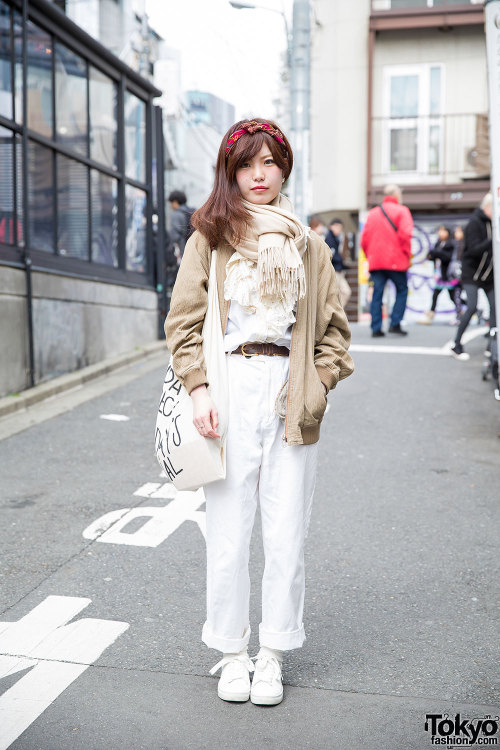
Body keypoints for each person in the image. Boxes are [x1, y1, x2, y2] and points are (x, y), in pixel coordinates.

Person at [165, 117, 354, 706]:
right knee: (228, 531)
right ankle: (231, 653)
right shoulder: (211, 238)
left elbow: (334, 335)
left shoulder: (310, 246)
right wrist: (198, 389)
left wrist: (317, 386)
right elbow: (183, 322)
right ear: (230, 172)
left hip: (289, 391)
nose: (258, 175)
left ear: (284, 167)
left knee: (286, 530)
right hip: (227, 386)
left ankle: (271, 654)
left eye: (269, 162)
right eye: (245, 164)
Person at [359, 184, 414, 337]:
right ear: (397, 195)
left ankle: (376, 327)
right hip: (396, 260)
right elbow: (405, 235)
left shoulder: (373, 213)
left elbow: (364, 240)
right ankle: (395, 323)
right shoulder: (403, 211)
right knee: (402, 290)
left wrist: (370, 255)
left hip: (376, 261)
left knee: (377, 293)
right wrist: (407, 255)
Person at [451, 193, 495, 361]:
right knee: (471, 307)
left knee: (495, 308)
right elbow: (474, 250)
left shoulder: (492, 223)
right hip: (471, 273)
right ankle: (457, 344)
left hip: (488, 275)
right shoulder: (474, 223)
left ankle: (492, 346)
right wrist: (492, 239)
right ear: (487, 207)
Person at [417, 225, 461, 325]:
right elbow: (431, 256)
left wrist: (436, 253)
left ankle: (465, 309)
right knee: (436, 294)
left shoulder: (451, 244)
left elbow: (447, 257)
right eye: (439, 231)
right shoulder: (438, 243)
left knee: (453, 296)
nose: (440, 233)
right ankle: (431, 313)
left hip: (449, 276)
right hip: (440, 275)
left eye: (443, 231)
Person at [325, 218, 352, 308]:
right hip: (334, 271)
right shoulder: (329, 239)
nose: (339, 230)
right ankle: (336, 312)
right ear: (332, 227)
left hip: (337, 270)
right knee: (341, 292)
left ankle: (338, 312)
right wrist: (341, 262)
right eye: (338, 228)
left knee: (343, 292)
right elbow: (332, 256)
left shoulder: (334, 238)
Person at [168, 189, 195, 259]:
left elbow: (175, 236)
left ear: (175, 202)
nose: (171, 206)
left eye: (171, 203)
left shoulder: (176, 214)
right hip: (194, 248)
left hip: (183, 250)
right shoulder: (193, 212)